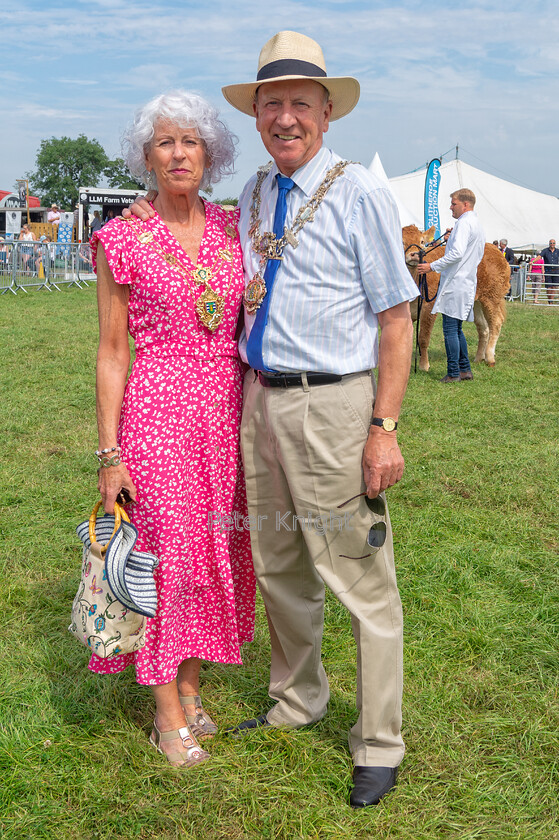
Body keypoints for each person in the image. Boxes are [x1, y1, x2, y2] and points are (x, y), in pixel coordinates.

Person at [130, 32, 420, 808]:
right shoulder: (255, 194)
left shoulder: (358, 192)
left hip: (332, 403)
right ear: (256, 116)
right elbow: (186, 240)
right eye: (271, 104)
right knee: (281, 567)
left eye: (300, 103)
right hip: (255, 398)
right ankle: (297, 702)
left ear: (327, 113)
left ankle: (378, 742)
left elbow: (396, 317)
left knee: (355, 575)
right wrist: (150, 205)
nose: (285, 116)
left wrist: (383, 425)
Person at [90, 90, 255, 770]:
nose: (179, 152)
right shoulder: (122, 236)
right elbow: (110, 350)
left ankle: (188, 690)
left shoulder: (231, 227)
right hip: (157, 414)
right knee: (163, 559)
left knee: (212, 560)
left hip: (227, 416)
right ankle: (164, 716)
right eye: (165, 142)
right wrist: (108, 454)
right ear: (146, 156)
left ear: (210, 152)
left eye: (191, 141)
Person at [418, 189, 485, 382]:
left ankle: (453, 372)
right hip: (465, 281)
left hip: (456, 283)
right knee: (456, 329)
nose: (450, 207)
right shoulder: (476, 224)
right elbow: (469, 253)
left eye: (454, 203)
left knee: (450, 330)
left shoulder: (464, 223)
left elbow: (456, 254)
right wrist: (451, 239)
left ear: (465, 204)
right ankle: (465, 370)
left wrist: (432, 266)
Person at [540, 239, 559, 304]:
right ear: (549, 244)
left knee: (554, 286)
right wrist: (533, 261)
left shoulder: (557, 251)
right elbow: (540, 256)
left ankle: (551, 301)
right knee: (548, 287)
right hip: (548, 271)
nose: (552, 244)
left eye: (553, 243)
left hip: (556, 270)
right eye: (551, 243)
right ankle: (549, 300)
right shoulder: (545, 251)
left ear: (555, 244)